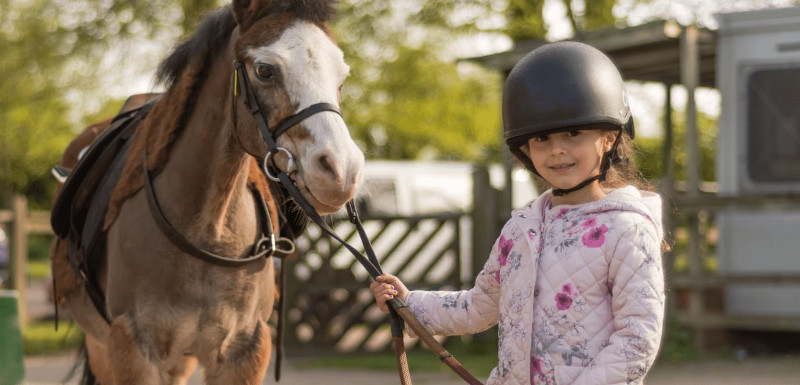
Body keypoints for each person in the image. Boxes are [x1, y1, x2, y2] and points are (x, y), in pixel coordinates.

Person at [371, 41, 666, 385]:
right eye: (541, 138)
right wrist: (408, 304)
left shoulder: (627, 228)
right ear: (525, 148)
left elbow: (636, 341)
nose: (557, 149)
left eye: (573, 134)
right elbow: (479, 306)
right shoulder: (522, 229)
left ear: (608, 138)